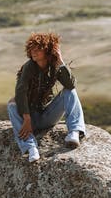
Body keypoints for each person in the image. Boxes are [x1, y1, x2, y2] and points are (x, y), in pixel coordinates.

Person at [7, 32, 86, 163]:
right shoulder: (29, 67)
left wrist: (60, 61)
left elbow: (70, 85)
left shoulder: (54, 65)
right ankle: (30, 147)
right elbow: (20, 92)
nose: (34, 52)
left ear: (48, 51)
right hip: (29, 121)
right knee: (11, 104)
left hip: (46, 116)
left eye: (38, 49)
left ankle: (74, 132)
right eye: (32, 49)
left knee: (69, 92)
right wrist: (26, 118)